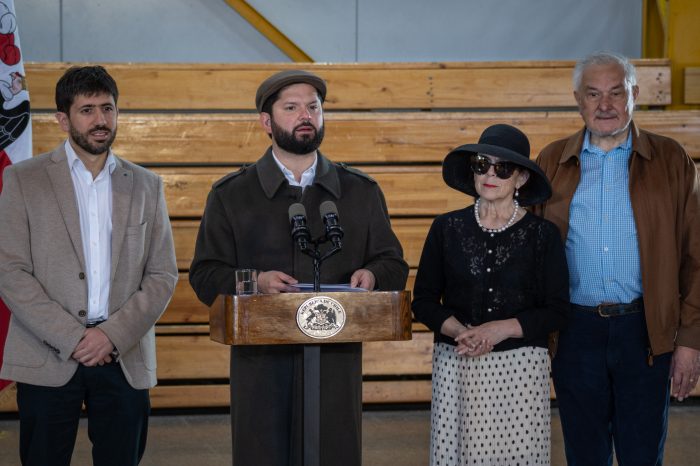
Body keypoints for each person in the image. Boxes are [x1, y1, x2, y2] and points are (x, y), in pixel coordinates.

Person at [189, 69, 408, 465]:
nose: (305, 115)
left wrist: (373, 274)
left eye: (313, 107)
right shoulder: (231, 195)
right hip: (261, 369)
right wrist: (254, 281)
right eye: (291, 107)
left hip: (334, 367)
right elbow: (204, 275)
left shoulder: (359, 191)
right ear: (266, 122)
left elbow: (393, 263)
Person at [0, 66, 178, 466]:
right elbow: (9, 271)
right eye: (87, 110)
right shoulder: (23, 180)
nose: (100, 120)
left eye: (108, 108)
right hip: (48, 354)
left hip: (123, 354)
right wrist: (74, 337)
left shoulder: (147, 185)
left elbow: (162, 274)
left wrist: (110, 335)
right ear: (63, 119)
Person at [534, 51, 700, 465]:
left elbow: (696, 255)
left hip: (646, 332)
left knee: (642, 455)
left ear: (635, 94)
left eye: (615, 93)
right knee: (584, 454)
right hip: (574, 332)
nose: (604, 105)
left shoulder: (672, 160)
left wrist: (690, 341)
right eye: (593, 94)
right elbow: (529, 254)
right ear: (578, 99)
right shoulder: (551, 161)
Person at [412, 124, 569, 465]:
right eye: (482, 164)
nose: (491, 174)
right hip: (457, 360)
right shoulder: (446, 227)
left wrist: (499, 330)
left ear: (522, 179)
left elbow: (557, 310)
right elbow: (423, 300)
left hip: (521, 369)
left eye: (504, 168)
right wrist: (461, 332)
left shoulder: (543, 235)